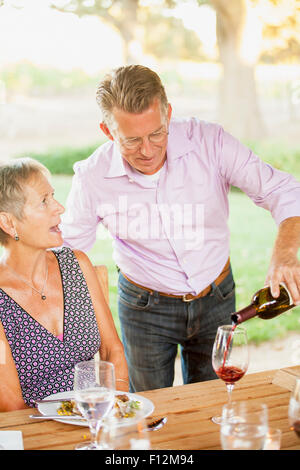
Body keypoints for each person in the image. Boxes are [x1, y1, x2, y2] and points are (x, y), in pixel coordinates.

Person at [62, 65, 300, 393]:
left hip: (217, 296)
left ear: (168, 114)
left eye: (156, 133)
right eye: (131, 140)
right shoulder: (92, 177)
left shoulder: (210, 143)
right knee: (147, 410)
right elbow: (67, 251)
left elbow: (285, 192)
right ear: (108, 130)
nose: (147, 151)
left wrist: (285, 254)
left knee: (213, 405)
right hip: (144, 308)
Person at [0, 158, 128, 411]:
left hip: (96, 417)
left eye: (53, 196)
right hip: (36, 432)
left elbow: (113, 350)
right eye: (44, 201)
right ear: (8, 223)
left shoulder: (76, 264)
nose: (59, 208)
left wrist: (114, 406)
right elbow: (9, 400)